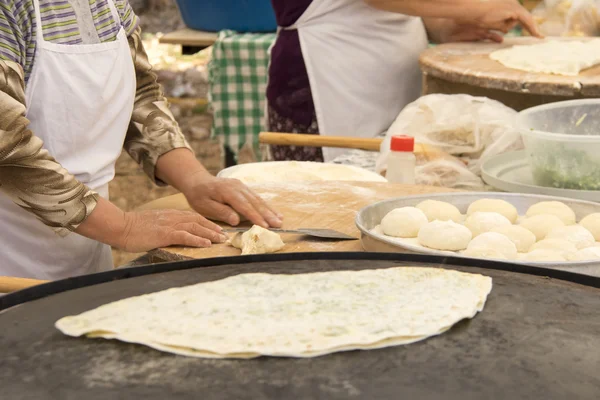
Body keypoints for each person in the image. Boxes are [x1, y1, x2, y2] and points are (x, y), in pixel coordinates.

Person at [0, 0, 282, 280]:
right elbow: (7, 144)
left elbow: (140, 95)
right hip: (11, 251)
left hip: (86, 238)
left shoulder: (111, 5)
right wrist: (122, 227)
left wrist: (194, 178)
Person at [266, 0, 542, 162]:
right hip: (331, 84)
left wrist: (439, 26)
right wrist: (468, 7)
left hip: (391, 82)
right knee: (332, 218)